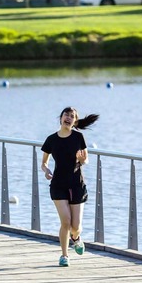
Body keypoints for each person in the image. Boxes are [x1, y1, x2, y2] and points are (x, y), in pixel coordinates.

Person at [40, 107, 99, 267]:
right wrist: (46, 171)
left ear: (75, 121)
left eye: (72, 116)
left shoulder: (78, 137)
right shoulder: (51, 139)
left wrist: (81, 160)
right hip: (58, 184)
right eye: (66, 115)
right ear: (61, 118)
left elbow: (85, 160)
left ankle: (76, 237)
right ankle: (64, 255)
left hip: (76, 184)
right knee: (65, 221)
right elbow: (44, 163)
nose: (68, 117)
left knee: (75, 226)